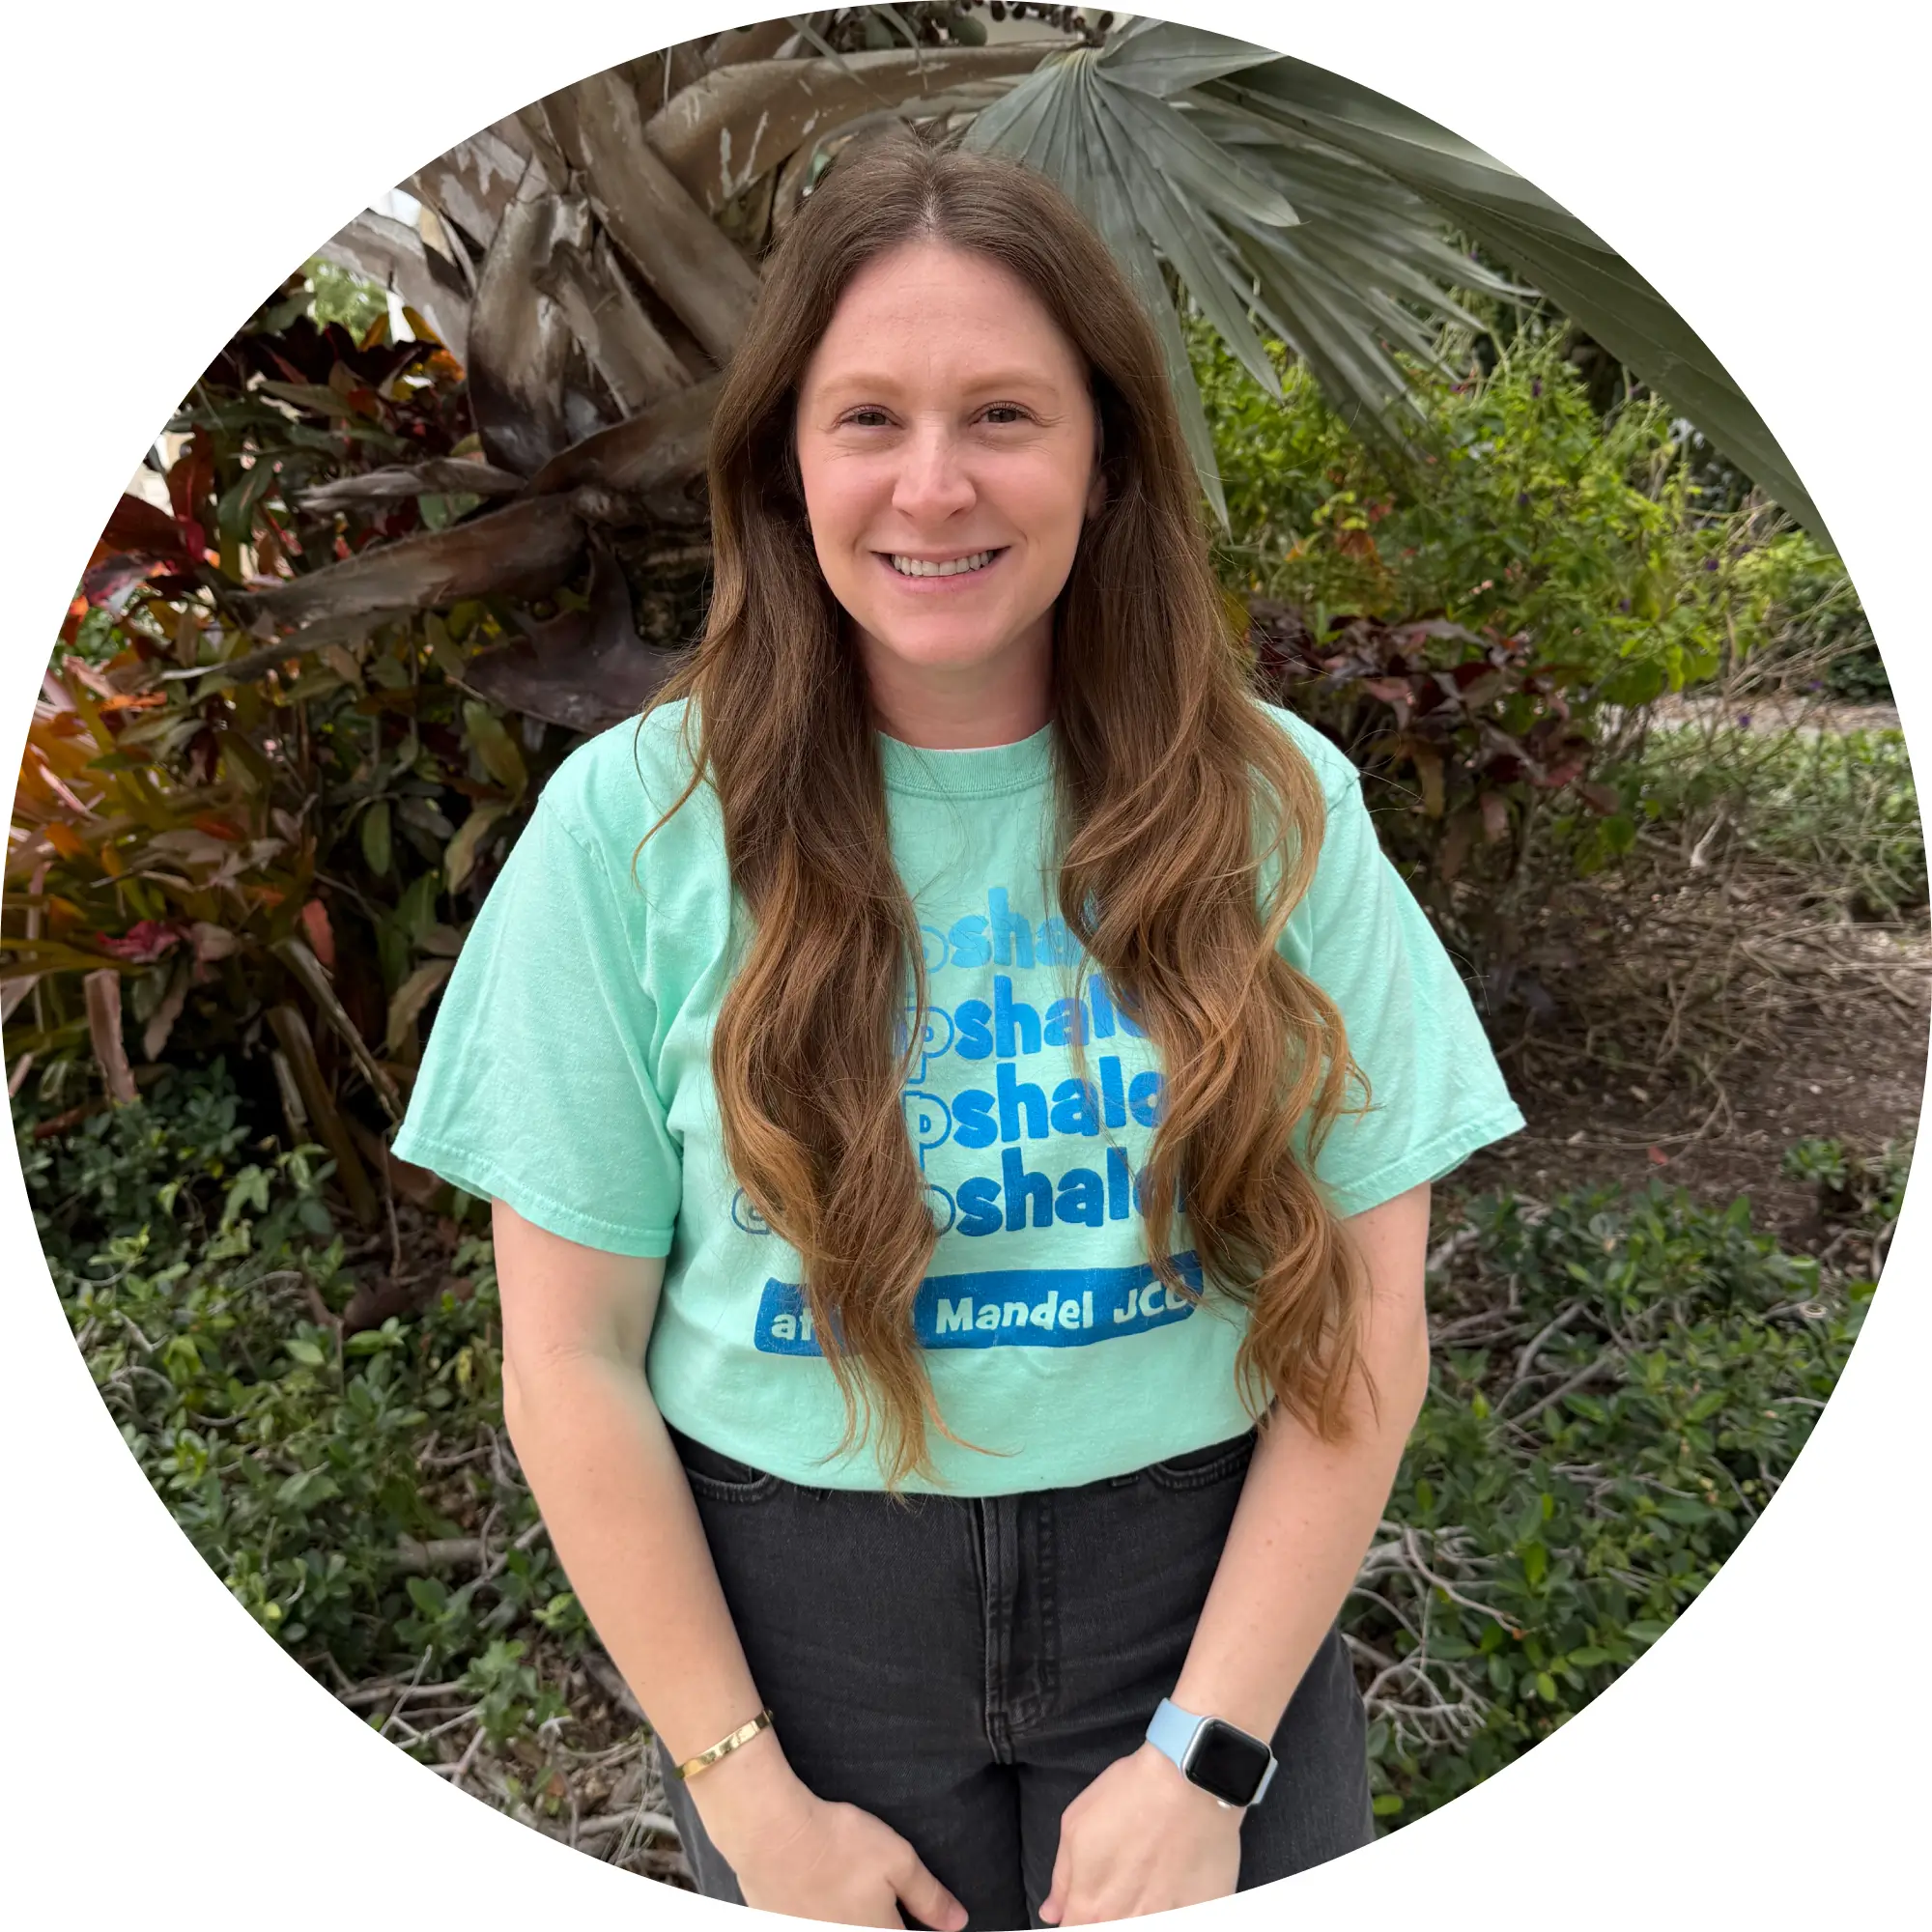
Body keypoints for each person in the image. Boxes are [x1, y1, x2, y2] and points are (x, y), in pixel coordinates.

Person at [392, 125, 1523, 1930]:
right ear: (783, 462)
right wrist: (752, 1805)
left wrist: (1206, 1756)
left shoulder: (1273, 806)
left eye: (1004, 414)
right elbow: (571, 1360)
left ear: (1104, 458)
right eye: (869, 420)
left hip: (1202, 1607)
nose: (935, 487)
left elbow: (1370, 1304)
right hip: (800, 1641)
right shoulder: (634, 830)